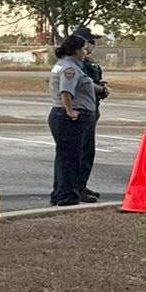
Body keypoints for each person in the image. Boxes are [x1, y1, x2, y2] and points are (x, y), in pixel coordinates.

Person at [48, 33, 94, 206]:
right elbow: (66, 91)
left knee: (64, 157)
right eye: (83, 48)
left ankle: (59, 193)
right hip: (69, 118)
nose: (85, 51)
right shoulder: (70, 69)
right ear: (75, 50)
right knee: (71, 158)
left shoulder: (62, 65)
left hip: (59, 115)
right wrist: (70, 111)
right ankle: (67, 195)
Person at [72, 28, 108, 200]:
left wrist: (102, 88)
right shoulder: (76, 64)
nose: (93, 45)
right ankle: (75, 188)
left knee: (88, 151)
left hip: (92, 108)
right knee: (79, 151)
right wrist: (100, 89)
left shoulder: (91, 63)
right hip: (81, 110)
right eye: (91, 41)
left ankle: (81, 185)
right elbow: (82, 85)